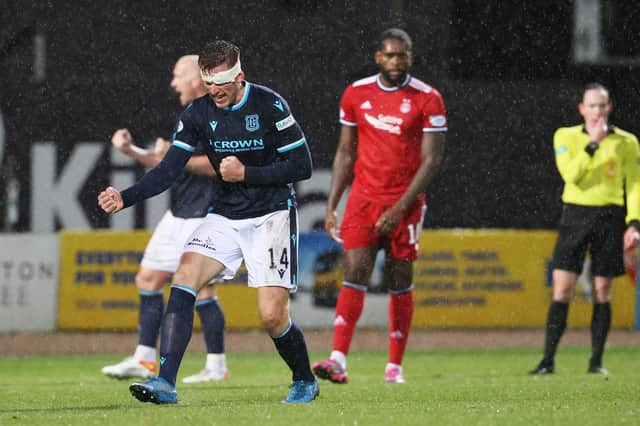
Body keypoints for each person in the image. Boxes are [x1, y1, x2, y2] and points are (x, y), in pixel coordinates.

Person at [98, 40, 318, 404]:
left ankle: (304, 379)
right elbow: (170, 168)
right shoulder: (197, 113)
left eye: (223, 81)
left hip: (272, 216)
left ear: (240, 76)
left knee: (271, 316)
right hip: (225, 215)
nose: (215, 89)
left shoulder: (269, 104)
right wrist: (126, 197)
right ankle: (165, 383)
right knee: (184, 279)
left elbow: (302, 166)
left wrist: (247, 172)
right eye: (209, 81)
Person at [312, 28, 447, 385]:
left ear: (410, 58)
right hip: (364, 199)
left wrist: (400, 208)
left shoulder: (428, 98)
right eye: (389, 55)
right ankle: (338, 358)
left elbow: (431, 161)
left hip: (406, 201)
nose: (395, 61)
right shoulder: (356, 94)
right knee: (354, 270)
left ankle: (394, 367)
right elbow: (344, 152)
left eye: (402, 55)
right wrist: (332, 204)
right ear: (378, 57)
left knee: (399, 278)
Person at [101, 55, 230, 384]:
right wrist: (132, 151)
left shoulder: (220, 116)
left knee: (202, 292)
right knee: (147, 279)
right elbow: (169, 165)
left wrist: (170, 156)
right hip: (179, 213)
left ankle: (216, 366)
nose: (173, 83)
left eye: (177, 75)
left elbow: (222, 167)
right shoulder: (188, 115)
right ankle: (144, 359)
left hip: (207, 213)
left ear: (197, 79)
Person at [529, 82, 640, 376]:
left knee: (603, 290)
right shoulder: (565, 136)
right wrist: (593, 144)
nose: (597, 111)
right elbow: (571, 176)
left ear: (610, 107)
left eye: (602, 105)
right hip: (575, 215)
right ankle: (547, 360)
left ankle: (596, 361)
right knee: (562, 288)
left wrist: (634, 223)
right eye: (592, 105)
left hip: (610, 216)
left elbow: (636, 185)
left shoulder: (627, 142)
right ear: (581, 109)